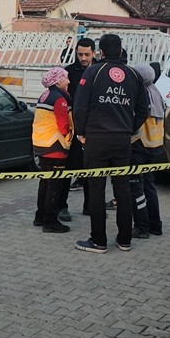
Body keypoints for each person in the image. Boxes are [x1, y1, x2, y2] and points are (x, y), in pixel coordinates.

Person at [72, 34, 148, 253]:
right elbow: (144, 109)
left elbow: (80, 107)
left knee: (96, 189)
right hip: (122, 140)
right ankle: (125, 240)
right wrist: (130, 127)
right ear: (121, 50)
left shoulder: (93, 72)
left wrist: (81, 133)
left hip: (96, 139)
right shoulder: (133, 75)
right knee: (122, 189)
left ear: (100, 52)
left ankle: (98, 241)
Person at [58, 37, 96, 222]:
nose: (83, 58)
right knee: (68, 170)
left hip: (93, 130)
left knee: (91, 171)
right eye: (80, 54)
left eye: (87, 54)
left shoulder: (99, 71)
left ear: (94, 53)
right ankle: (62, 206)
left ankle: (90, 206)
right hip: (72, 130)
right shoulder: (68, 72)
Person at [32, 67, 73, 234]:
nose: (69, 82)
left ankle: (40, 216)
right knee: (54, 186)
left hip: (42, 145)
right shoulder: (60, 99)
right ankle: (50, 221)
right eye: (66, 79)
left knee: (45, 182)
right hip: (55, 146)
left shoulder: (45, 95)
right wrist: (70, 135)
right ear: (58, 81)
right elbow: (64, 125)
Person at [129, 63, 165, 238]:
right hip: (155, 147)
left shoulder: (142, 94)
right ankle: (155, 225)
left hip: (140, 146)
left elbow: (138, 117)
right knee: (150, 186)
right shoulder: (156, 92)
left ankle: (141, 227)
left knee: (136, 188)